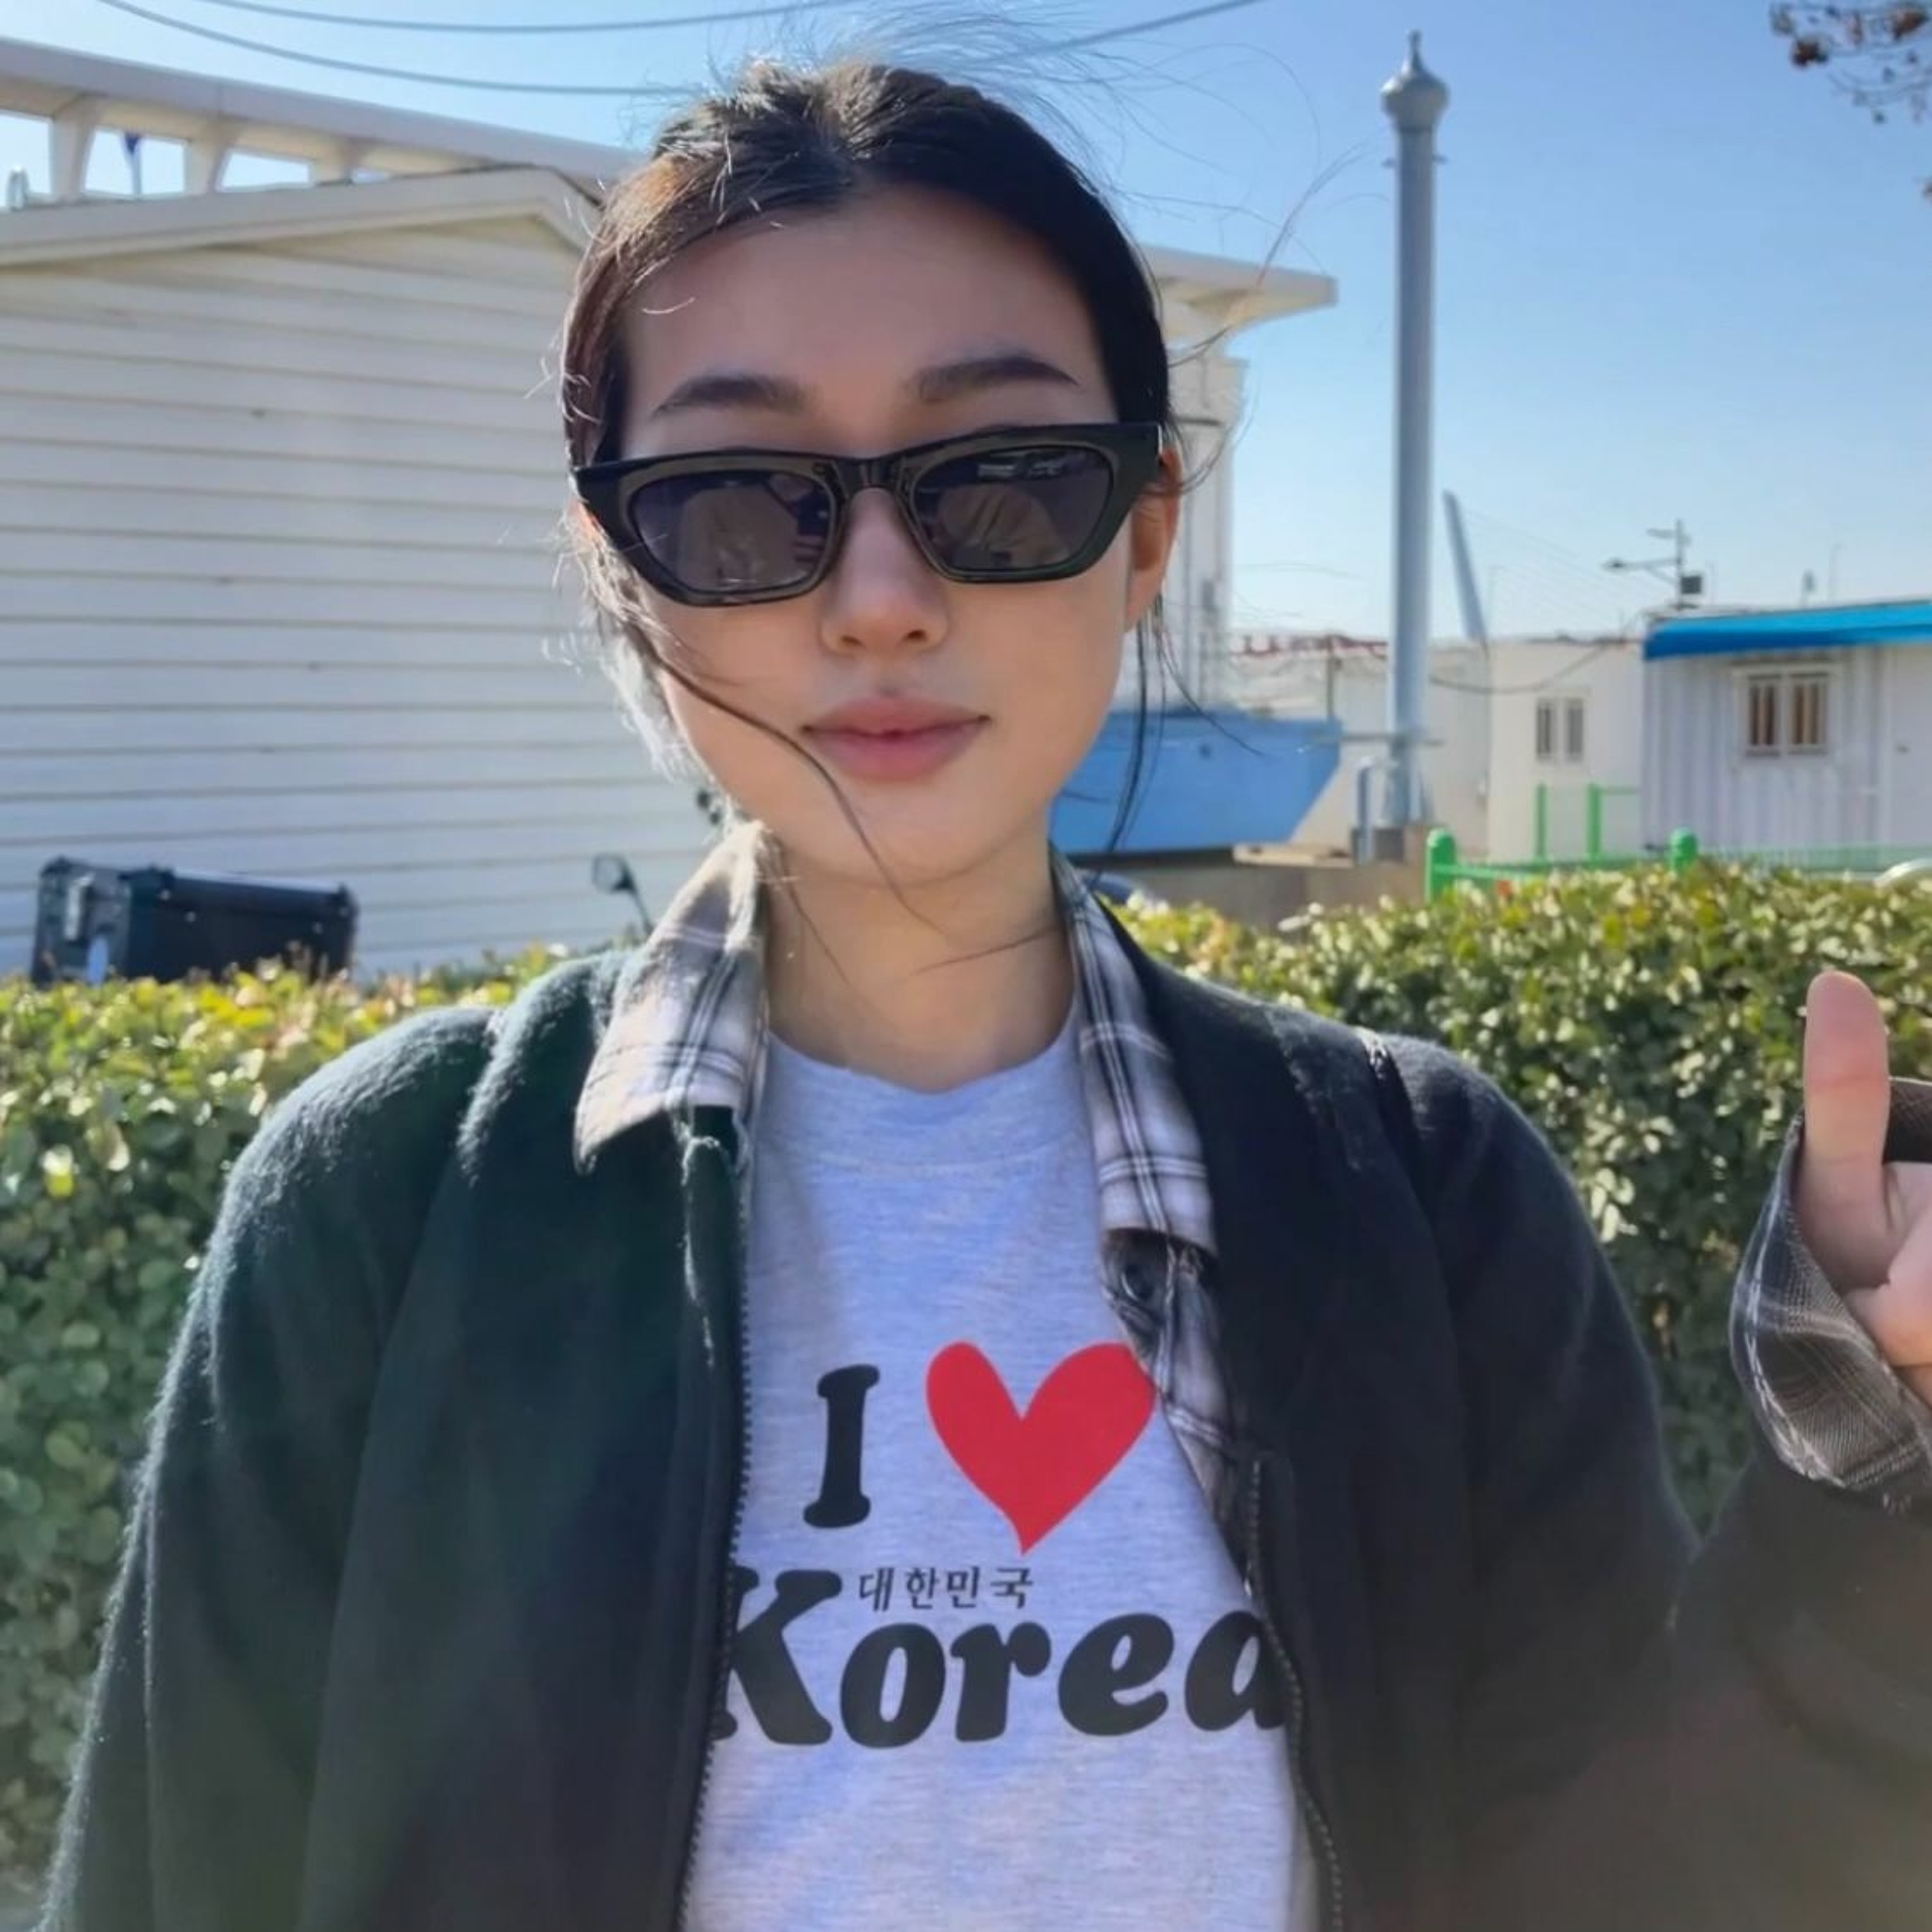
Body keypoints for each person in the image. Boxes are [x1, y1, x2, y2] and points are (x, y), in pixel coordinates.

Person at [40, 56, 1932, 1932]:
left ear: (1147, 533)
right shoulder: (389, 1207)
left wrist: (1875, 1481)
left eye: (1005, 481)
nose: (880, 598)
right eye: (737, 502)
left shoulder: (1424, 1197)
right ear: (628, 573)